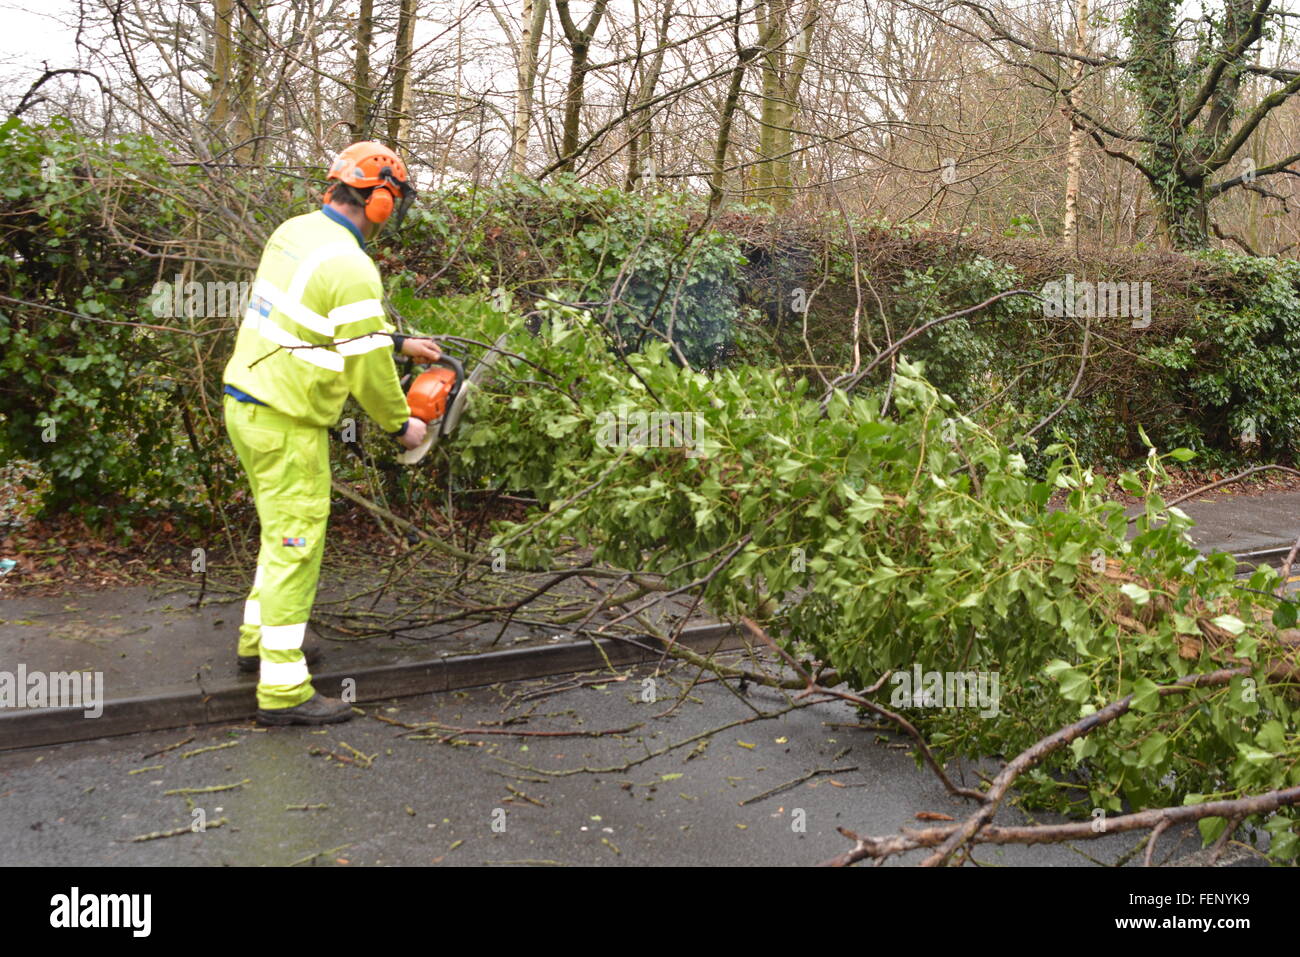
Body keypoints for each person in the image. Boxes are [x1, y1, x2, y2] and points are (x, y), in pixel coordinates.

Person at [221, 141, 440, 725]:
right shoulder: (352, 266)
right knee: (296, 545)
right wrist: (403, 427)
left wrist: (397, 342)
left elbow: (313, 317)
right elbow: (365, 370)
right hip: (286, 420)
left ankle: (255, 639)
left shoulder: (294, 232)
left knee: (278, 530)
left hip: (245, 404)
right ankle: (284, 690)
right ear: (381, 201)